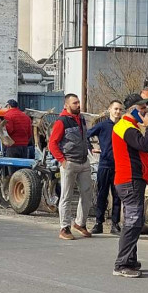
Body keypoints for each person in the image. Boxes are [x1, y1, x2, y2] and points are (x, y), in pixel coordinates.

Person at [112, 93, 148, 278]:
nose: (145, 112)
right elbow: (145, 145)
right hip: (129, 180)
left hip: (130, 180)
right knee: (133, 222)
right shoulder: (125, 127)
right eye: (141, 109)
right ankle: (122, 264)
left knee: (134, 221)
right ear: (132, 110)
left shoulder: (127, 126)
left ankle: (129, 259)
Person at [48, 94, 94, 240]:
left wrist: (90, 148)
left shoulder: (81, 119)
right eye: (75, 103)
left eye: (78, 102)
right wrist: (62, 160)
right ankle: (64, 228)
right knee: (66, 196)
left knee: (87, 193)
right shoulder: (61, 122)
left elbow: (84, 137)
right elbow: (52, 143)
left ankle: (80, 223)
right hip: (70, 162)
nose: (78, 105)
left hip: (83, 161)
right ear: (66, 105)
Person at [87, 100, 124, 234]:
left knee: (117, 195)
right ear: (110, 110)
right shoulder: (103, 126)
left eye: (120, 109)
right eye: (115, 109)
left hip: (119, 166)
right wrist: (91, 148)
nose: (117, 112)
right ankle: (99, 223)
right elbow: (86, 135)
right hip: (104, 165)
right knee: (101, 194)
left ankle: (115, 224)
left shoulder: (123, 126)